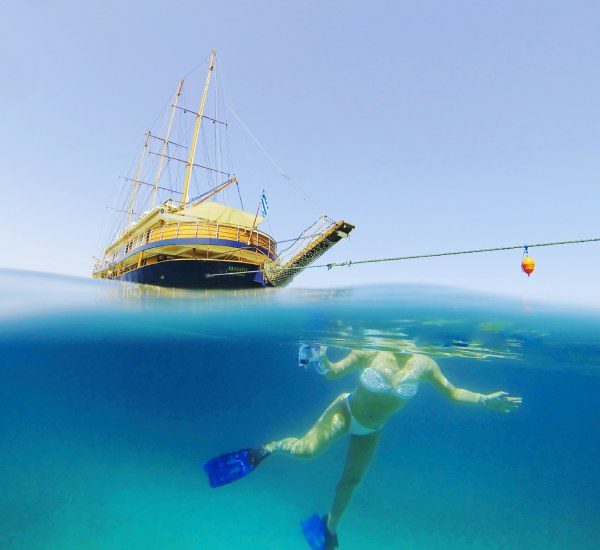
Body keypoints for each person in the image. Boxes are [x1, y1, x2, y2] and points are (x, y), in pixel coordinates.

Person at [204, 345, 522, 549]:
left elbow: (452, 393)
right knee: (306, 450)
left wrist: (484, 400)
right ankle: (267, 448)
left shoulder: (425, 363)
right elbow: (332, 373)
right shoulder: (371, 349)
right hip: (346, 411)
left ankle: (329, 529)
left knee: (351, 483)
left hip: (372, 429)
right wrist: (320, 356)